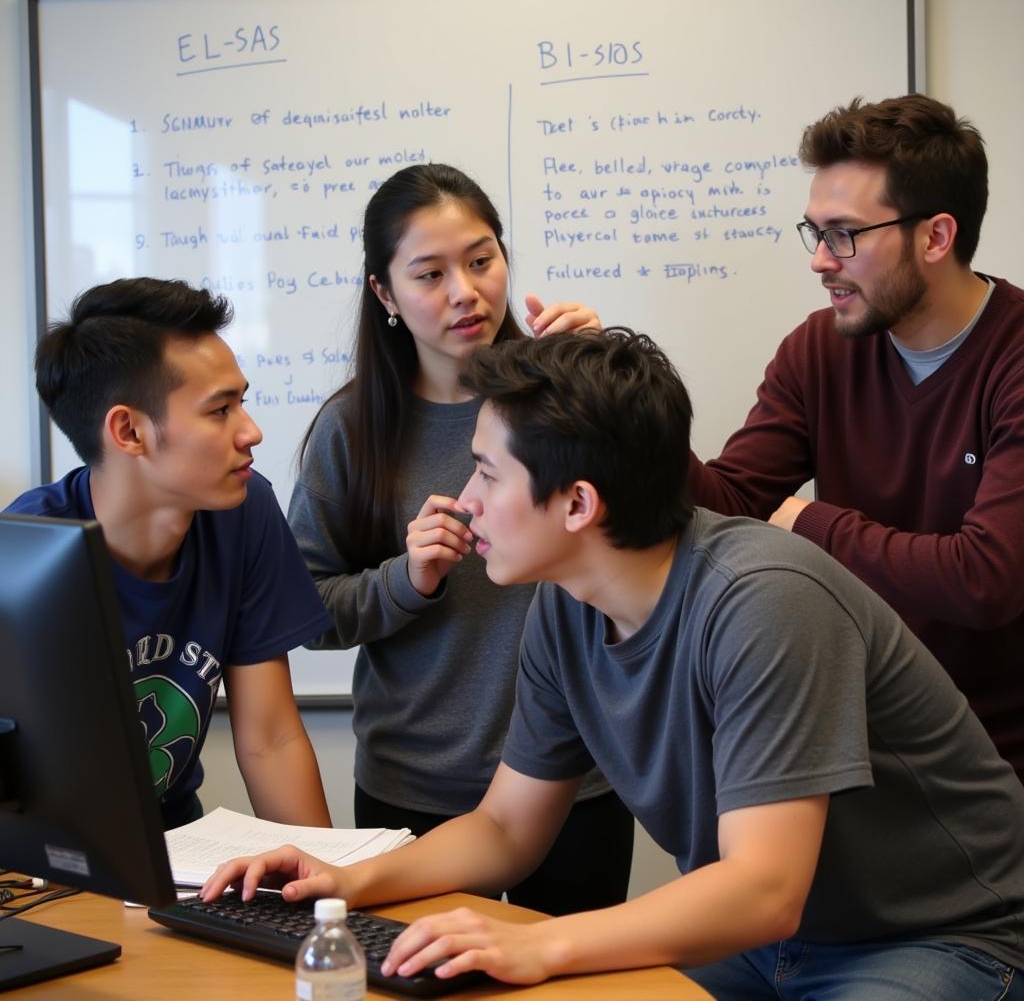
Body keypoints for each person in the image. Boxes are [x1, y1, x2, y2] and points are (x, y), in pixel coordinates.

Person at [203, 327, 1024, 1000]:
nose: (468, 498)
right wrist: (340, 881)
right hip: (777, 941)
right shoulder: (568, 604)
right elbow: (503, 831)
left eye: (487, 471)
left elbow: (763, 890)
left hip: (942, 937)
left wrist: (545, 944)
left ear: (579, 504)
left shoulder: (765, 598)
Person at [287, 162, 633, 915]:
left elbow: (652, 540)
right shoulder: (352, 432)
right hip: (415, 784)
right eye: (429, 273)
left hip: (579, 774)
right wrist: (403, 582)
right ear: (384, 293)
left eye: (481, 260)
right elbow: (304, 610)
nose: (465, 292)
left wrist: (608, 383)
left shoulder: (564, 396)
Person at [687, 93, 1024, 779]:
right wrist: (622, 402)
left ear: (935, 237)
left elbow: (986, 579)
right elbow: (731, 498)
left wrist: (812, 524)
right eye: (815, 233)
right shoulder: (819, 350)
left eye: (844, 234)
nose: (820, 261)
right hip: (858, 743)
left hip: (998, 764)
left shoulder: (1013, 359)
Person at [5, 277, 333, 830]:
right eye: (219, 410)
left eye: (241, 402)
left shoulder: (243, 509)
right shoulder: (21, 556)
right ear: (129, 431)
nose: (250, 432)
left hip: (175, 854)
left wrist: (330, 895)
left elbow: (270, 739)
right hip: (48, 871)